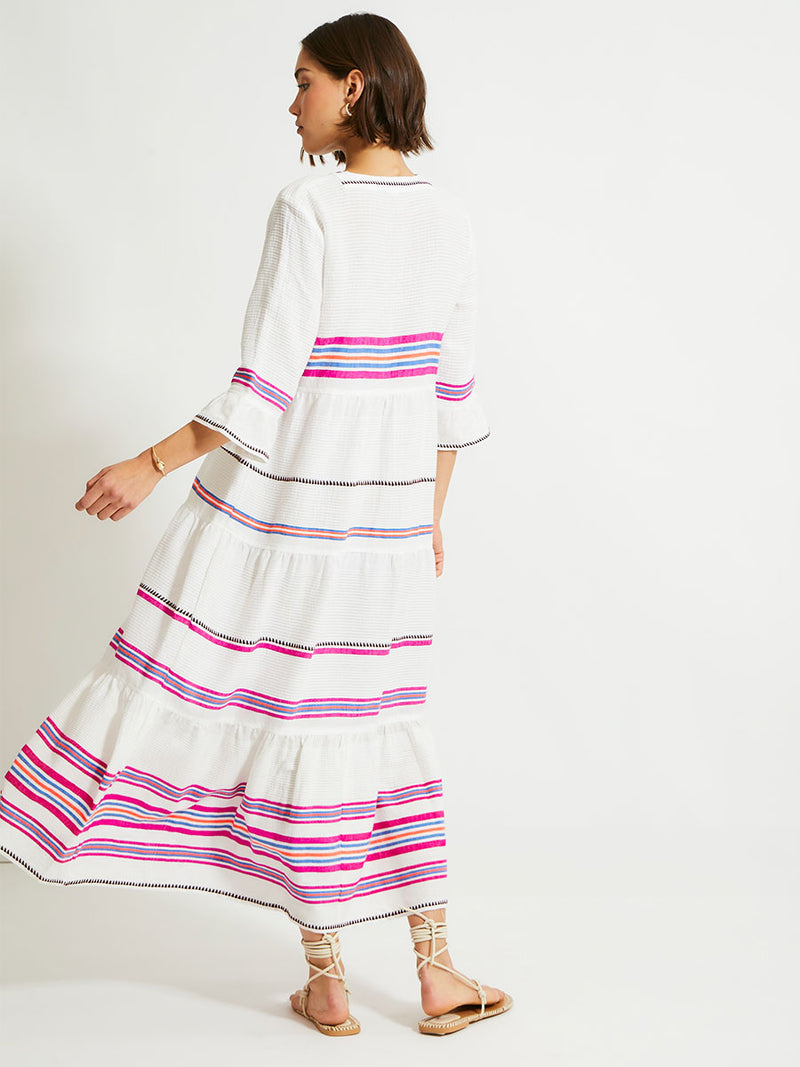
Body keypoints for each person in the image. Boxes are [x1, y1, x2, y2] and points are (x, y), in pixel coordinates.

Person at [0, 13, 512, 1037]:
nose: (292, 104)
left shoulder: (309, 203)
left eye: (304, 83)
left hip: (290, 520)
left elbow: (265, 383)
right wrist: (427, 521)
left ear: (355, 86)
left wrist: (147, 464)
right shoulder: (448, 217)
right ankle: (435, 970)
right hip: (384, 540)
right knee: (370, 726)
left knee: (286, 716)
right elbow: (451, 396)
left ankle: (326, 979)